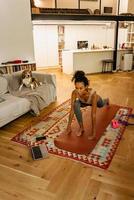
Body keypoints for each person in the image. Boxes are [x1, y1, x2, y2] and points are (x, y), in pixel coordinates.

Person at [66, 70, 109, 140]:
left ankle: (106, 100)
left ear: (86, 86)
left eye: (81, 88)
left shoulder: (93, 95)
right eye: (76, 88)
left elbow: (93, 115)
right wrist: (68, 126)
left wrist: (93, 133)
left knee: (102, 104)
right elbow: (72, 111)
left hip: (96, 101)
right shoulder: (74, 93)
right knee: (75, 105)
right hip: (83, 102)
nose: (78, 91)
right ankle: (81, 127)